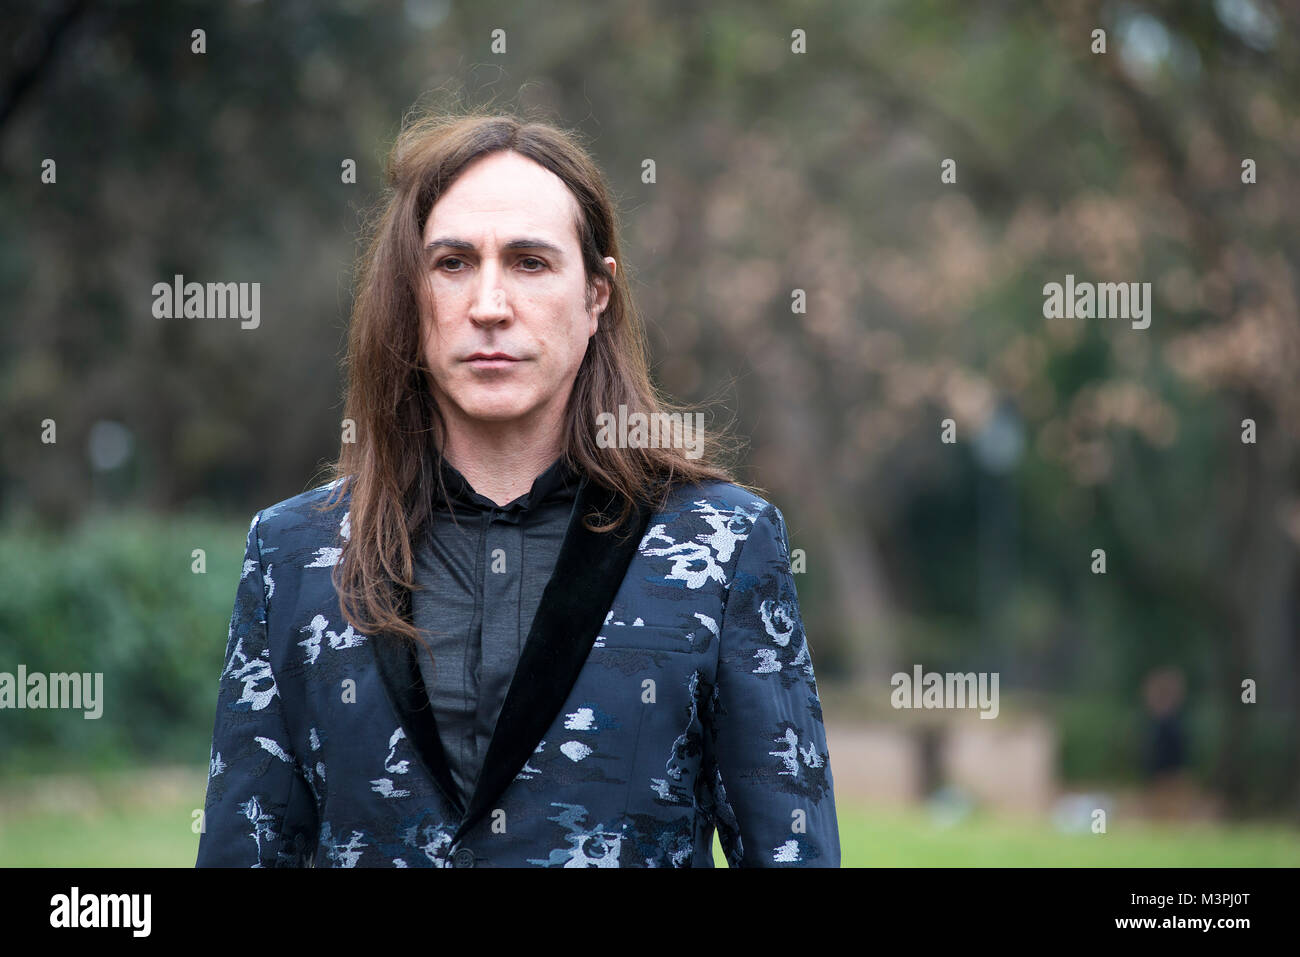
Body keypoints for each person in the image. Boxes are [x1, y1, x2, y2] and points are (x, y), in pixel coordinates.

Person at [195, 110, 839, 868]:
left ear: (596, 295)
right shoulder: (292, 555)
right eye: (453, 263)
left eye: (530, 262)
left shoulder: (722, 545)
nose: (490, 305)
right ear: (409, 293)